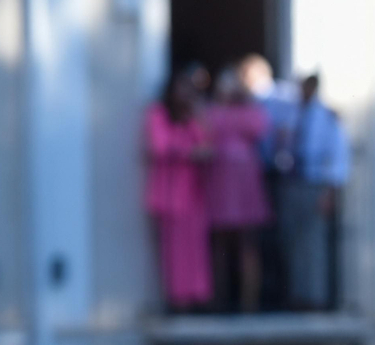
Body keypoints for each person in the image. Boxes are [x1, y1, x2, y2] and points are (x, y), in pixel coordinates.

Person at [271, 73, 348, 311]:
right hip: (292, 181)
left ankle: (315, 297)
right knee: (292, 240)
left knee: (314, 242)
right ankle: (298, 294)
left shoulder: (326, 116)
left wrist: (330, 191)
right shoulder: (292, 113)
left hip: (315, 182)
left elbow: (338, 154)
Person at [203, 67, 272, 312]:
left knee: (247, 244)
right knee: (219, 244)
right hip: (219, 184)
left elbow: (260, 128)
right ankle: (218, 300)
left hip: (244, 185)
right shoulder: (211, 112)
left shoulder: (250, 112)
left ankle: (249, 302)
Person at [144, 68, 213, 311]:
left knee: (195, 248)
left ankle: (196, 297)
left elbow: (207, 146)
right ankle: (177, 299)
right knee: (174, 251)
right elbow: (160, 147)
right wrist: (189, 151)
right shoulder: (158, 114)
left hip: (193, 193)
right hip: (170, 195)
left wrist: (196, 118)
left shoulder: (192, 117)